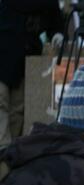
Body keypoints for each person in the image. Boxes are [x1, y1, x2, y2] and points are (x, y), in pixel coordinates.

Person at [0, 0, 64, 149]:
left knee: (17, 110)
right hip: (8, 54)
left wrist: (57, 35)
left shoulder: (48, 4)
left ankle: (9, 155)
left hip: (25, 60)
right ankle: (4, 152)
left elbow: (55, 23)